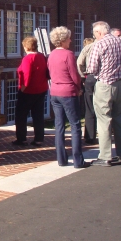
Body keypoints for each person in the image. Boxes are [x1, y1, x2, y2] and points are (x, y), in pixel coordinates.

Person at [87, 21, 121, 166]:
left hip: (105, 84)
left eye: (95, 34)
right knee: (120, 119)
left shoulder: (99, 44)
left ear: (99, 32)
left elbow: (92, 68)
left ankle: (105, 156)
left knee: (104, 120)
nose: (94, 36)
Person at [47, 26, 89, 168]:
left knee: (59, 126)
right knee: (75, 125)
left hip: (55, 92)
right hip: (68, 92)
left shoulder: (51, 54)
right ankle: (78, 160)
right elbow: (74, 75)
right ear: (64, 40)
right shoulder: (68, 54)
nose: (71, 40)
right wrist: (79, 88)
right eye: (69, 38)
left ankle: (61, 159)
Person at [12, 37, 49, 147]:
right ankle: (39, 139)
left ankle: (22, 139)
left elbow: (26, 76)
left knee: (21, 115)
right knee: (38, 115)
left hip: (28, 91)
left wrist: (22, 89)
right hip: (41, 89)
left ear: (26, 46)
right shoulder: (42, 56)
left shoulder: (27, 59)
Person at [77, 37, 97, 144]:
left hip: (91, 77)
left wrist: (83, 76)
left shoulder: (89, 48)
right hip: (107, 79)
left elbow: (79, 63)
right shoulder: (115, 45)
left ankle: (90, 136)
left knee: (90, 108)